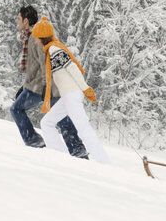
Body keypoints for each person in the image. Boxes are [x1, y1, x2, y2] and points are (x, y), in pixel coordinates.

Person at [10, 6, 88, 158]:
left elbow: (45, 63)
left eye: (18, 18)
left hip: (44, 86)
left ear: (26, 21)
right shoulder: (32, 37)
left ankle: (35, 142)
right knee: (61, 119)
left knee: (16, 109)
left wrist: (44, 87)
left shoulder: (35, 38)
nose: (16, 21)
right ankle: (78, 150)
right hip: (44, 85)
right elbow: (35, 67)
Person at [32, 16, 110, 164]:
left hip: (72, 95)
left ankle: (105, 163)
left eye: (36, 37)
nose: (35, 40)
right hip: (67, 97)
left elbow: (72, 68)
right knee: (47, 123)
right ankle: (62, 158)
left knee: (83, 129)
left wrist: (86, 89)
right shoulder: (50, 50)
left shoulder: (54, 49)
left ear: (42, 37)